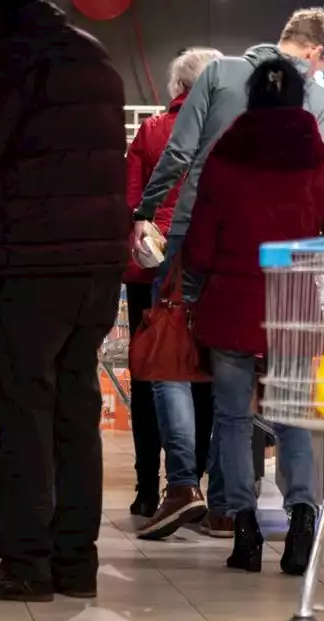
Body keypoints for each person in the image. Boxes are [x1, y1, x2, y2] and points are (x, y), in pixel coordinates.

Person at [0, 0, 128, 602]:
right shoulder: (96, 57)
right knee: (74, 412)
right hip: (95, 265)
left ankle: (24, 563)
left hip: (26, 262)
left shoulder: (9, 59)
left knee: (22, 415)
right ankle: (76, 563)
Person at [129, 8, 324, 543]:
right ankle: (266, 512)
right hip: (286, 277)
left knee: (181, 362)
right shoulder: (319, 118)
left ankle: (194, 492)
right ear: (317, 55)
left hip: (209, 246)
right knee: (284, 405)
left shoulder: (219, 77)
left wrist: (146, 212)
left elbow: (179, 154)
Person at [184, 58, 324, 575]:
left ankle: (245, 529)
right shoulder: (318, 167)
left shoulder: (223, 162)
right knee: (292, 421)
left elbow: (199, 246)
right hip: (293, 309)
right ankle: (302, 518)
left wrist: (196, 284)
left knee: (235, 421)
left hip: (233, 305)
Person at [124, 47, 224, 533]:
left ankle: (148, 490)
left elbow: (132, 201)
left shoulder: (151, 131)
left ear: (178, 86)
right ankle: (194, 485)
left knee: (150, 375)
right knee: (202, 376)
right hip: (206, 268)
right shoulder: (226, 131)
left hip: (150, 268)